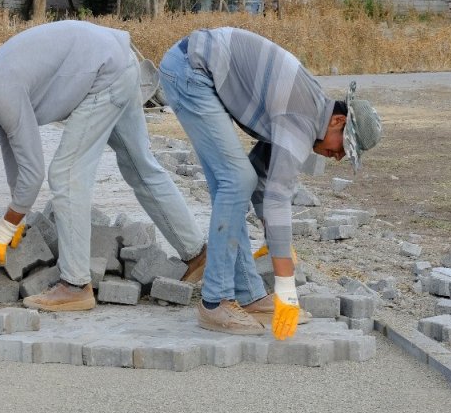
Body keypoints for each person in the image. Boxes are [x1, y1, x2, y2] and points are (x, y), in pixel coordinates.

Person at [0, 20, 206, 312]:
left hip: (104, 73)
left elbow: (33, 174)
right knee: (140, 167)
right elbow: (17, 156)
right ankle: (197, 253)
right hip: (117, 63)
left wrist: (7, 225)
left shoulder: (1, 92)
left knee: (66, 174)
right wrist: (15, 218)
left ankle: (75, 285)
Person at [158, 27, 381, 339]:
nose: (337, 157)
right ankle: (214, 303)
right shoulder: (302, 119)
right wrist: (287, 290)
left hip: (196, 68)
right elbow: (277, 200)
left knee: (238, 181)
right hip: (191, 69)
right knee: (235, 180)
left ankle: (248, 295)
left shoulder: (312, 109)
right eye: (342, 147)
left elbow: (262, 183)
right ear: (338, 121)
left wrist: (277, 241)